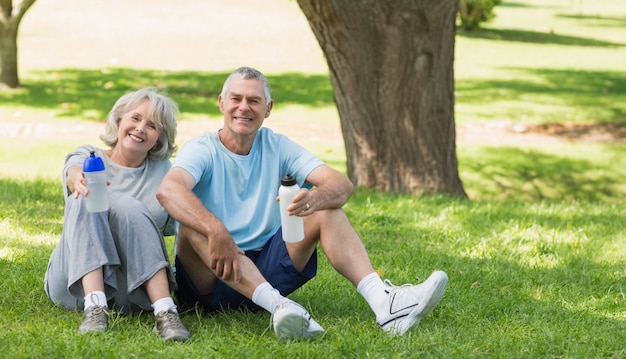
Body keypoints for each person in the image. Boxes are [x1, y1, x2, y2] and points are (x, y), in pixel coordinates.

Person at [156, 67, 448, 340]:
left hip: (267, 266)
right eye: (236, 98)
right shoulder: (202, 149)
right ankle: (280, 306)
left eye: (254, 100)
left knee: (328, 211)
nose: (244, 107)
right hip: (210, 278)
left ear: (268, 109)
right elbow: (169, 190)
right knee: (194, 225)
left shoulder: (278, 145)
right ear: (222, 103)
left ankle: (385, 305)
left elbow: (341, 185)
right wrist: (216, 230)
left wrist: (315, 198)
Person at [44, 87, 190, 341]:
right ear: (119, 119)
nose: (140, 128)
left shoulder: (167, 174)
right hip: (71, 283)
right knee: (86, 195)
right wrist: (79, 178)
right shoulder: (89, 156)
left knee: (128, 207)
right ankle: (95, 306)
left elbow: (186, 227)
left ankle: (166, 312)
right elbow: (73, 171)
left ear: (160, 137)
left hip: (129, 289)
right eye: (135, 118)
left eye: (152, 125)